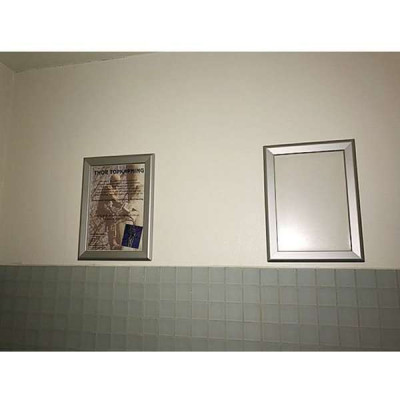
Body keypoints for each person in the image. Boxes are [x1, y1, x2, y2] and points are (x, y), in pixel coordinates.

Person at [96, 174, 124, 250]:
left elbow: (115, 203)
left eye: (118, 183)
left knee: (121, 217)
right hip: (104, 208)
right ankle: (113, 242)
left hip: (109, 208)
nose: (117, 184)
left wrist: (122, 206)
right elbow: (113, 198)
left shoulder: (115, 189)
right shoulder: (108, 187)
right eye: (116, 182)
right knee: (112, 219)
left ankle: (119, 241)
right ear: (112, 181)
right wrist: (121, 204)